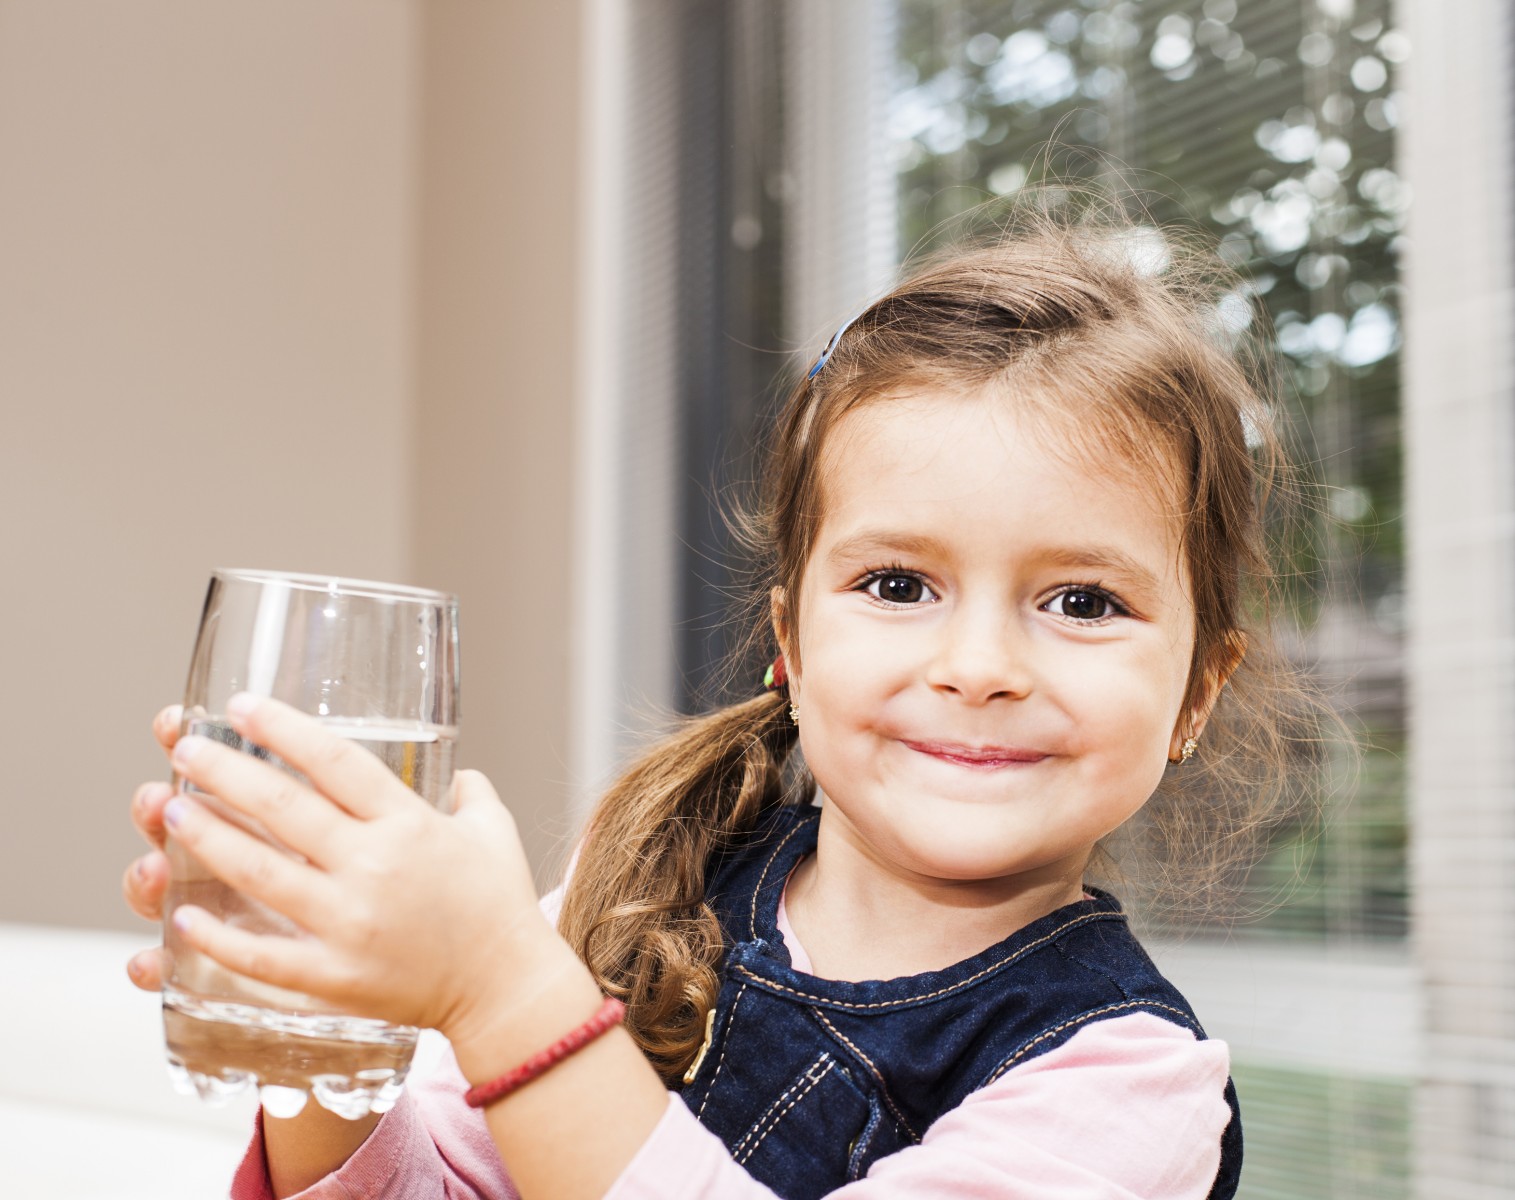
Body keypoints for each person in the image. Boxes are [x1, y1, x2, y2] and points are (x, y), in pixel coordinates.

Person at [123, 205, 1327, 1199]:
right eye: (898, 585)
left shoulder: (1128, 1089)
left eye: (1082, 602)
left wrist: (502, 990)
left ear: (1195, 693)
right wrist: (324, 1036)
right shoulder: (641, 875)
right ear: (790, 642)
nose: (978, 665)